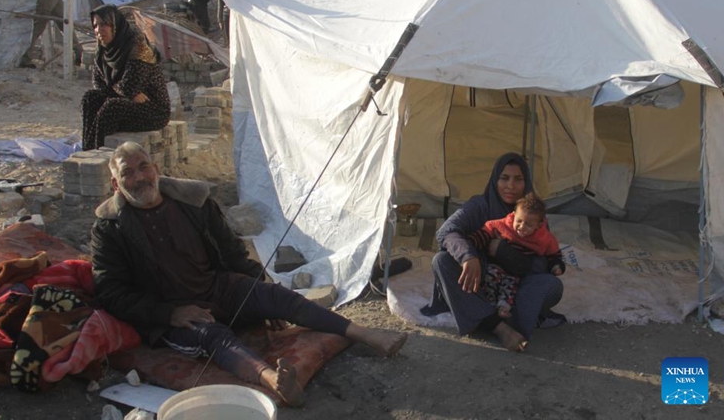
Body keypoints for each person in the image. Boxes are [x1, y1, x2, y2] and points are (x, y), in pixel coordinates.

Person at [91, 142, 408, 407]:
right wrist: (169, 314)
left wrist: (259, 298)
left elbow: (232, 254)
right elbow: (111, 292)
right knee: (212, 335)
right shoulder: (109, 229)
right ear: (116, 185)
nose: (139, 178)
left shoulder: (194, 203)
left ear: (156, 169)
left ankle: (366, 334)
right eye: (127, 173)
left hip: (216, 287)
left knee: (274, 295)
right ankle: (275, 380)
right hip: (172, 313)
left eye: (143, 167)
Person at [420, 152, 565, 352]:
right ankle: (499, 327)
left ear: (526, 182)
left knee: (552, 285)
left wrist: (505, 252)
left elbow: (542, 263)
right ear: (495, 179)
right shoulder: (480, 205)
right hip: (480, 282)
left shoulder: (534, 214)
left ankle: (483, 315)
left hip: (516, 284)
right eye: (504, 178)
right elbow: (446, 232)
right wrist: (468, 256)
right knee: (442, 261)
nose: (511, 186)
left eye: (518, 179)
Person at [80, 5, 170, 151]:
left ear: (115, 25)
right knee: (90, 98)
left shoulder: (138, 46)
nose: (99, 30)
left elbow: (129, 86)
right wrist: (126, 92)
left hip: (152, 109)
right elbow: (98, 84)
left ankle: (99, 153)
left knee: (112, 107)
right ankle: (88, 151)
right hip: (126, 102)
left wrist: (123, 91)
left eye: (104, 24)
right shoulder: (103, 49)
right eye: (95, 26)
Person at [468, 192, 565, 318]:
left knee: (510, 288)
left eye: (529, 224)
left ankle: (503, 308)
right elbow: (486, 232)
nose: (522, 227)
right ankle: (488, 304)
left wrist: (556, 266)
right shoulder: (503, 225)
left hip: (516, 273)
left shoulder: (544, 239)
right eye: (519, 221)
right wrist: (470, 242)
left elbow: (553, 253)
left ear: (539, 225)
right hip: (497, 265)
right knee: (490, 278)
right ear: (513, 215)